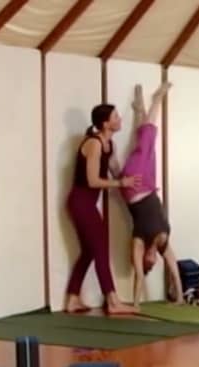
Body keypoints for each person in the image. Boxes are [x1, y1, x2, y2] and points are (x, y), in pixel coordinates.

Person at [65, 103, 142, 314]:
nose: (120, 120)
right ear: (105, 123)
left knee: (89, 252)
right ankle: (113, 301)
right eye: (116, 117)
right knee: (100, 250)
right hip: (80, 202)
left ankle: (72, 299)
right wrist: (121, 184)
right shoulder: (94, 143)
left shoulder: (111, 145)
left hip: (87, 204)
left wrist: (137, 177)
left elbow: (117, 172)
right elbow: (92, 180)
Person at [119, 82, 184, 309]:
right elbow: (174, 268)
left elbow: (137, 273)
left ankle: (156, 99)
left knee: (147, 140)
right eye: (153, 263)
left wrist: (136, 303)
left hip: (134, 185)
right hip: (147, 182)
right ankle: (141, 107)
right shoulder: (163, 243)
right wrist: (180, 297)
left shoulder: (139, 241)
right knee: (146, 144)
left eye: (148, 264)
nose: (151, 261)